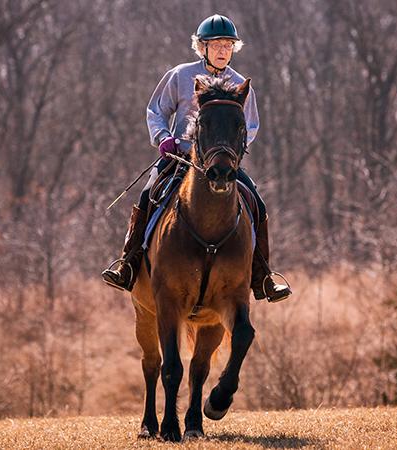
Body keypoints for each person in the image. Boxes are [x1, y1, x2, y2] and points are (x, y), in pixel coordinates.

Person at [101, 14, 291, 303]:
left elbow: (250, 126)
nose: (223, 50)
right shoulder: (180, 75)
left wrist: (231, 152)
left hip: (222, 162)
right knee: (147, 194)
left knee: (257, 201)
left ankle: (262, 275)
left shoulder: (241, 85)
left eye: (228, 45)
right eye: (216, 44)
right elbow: (156, 111)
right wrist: (163, 138)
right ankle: (128, 263)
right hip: (180, 157)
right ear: (201, 47)